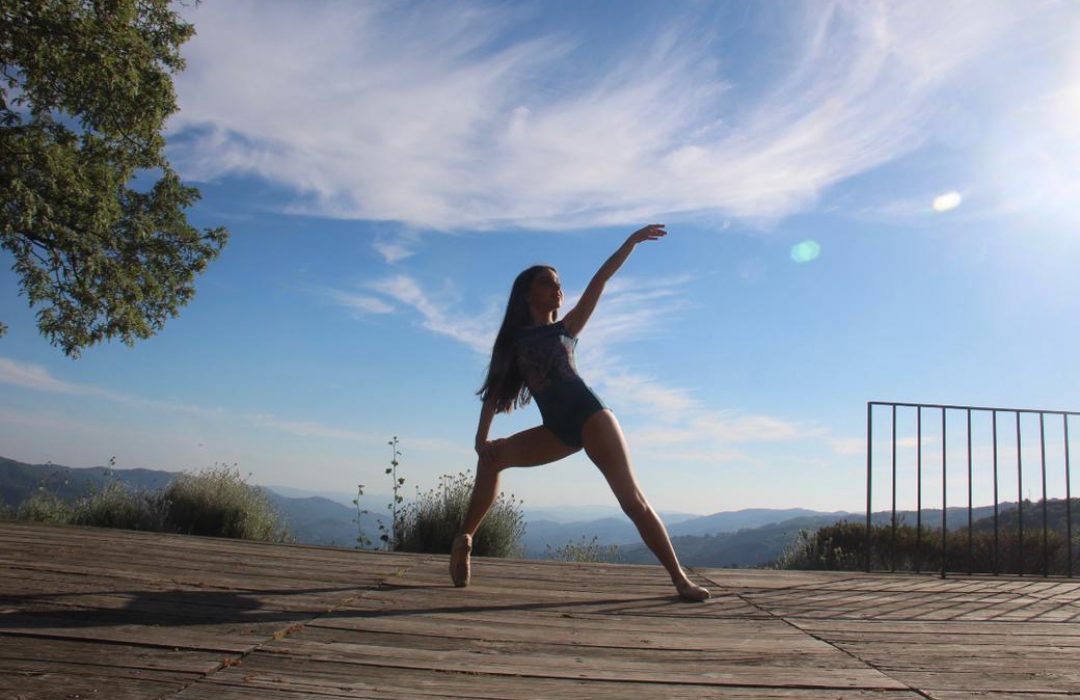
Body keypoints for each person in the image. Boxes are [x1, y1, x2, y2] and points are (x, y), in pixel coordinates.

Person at [451, 224, 711, 602]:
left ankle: (680, 580)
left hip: (592, 418)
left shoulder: (566, 329)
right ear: (527, 294)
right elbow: (493, 394)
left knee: (632, 501)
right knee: (491, 460)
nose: (557, 287)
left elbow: (600, 279)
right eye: (547, 282)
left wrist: (631, 242)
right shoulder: (513, 343)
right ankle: (465, 539)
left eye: (558, 282)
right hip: (556, 428)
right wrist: (480, 440)